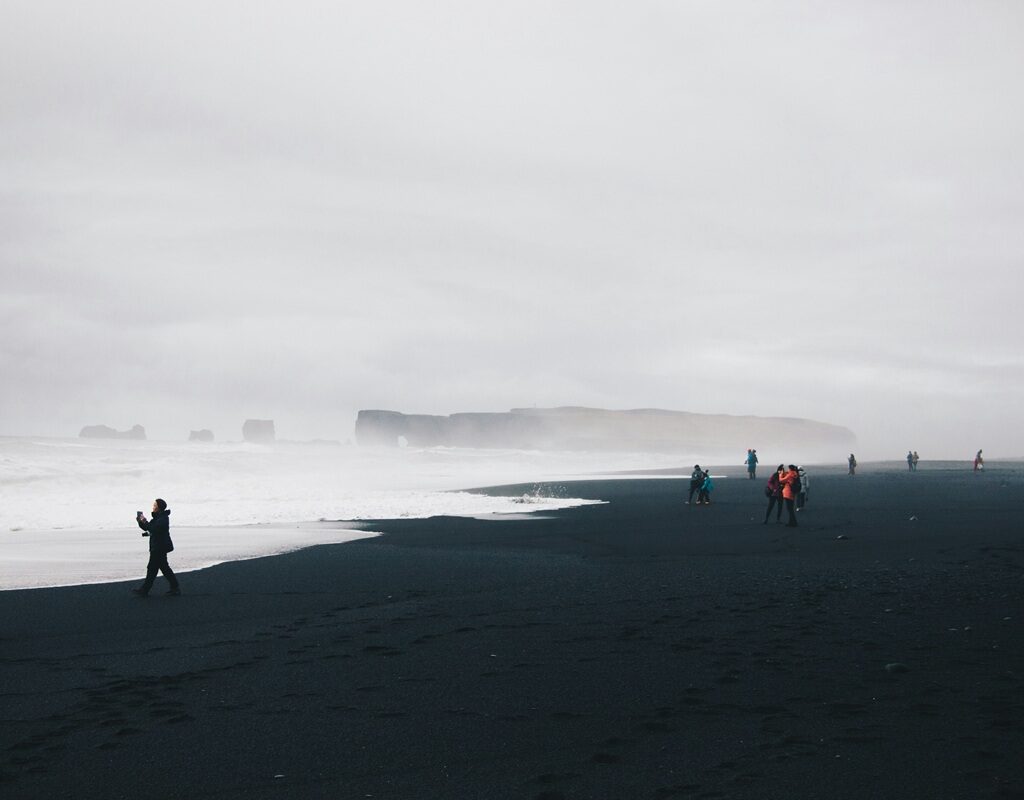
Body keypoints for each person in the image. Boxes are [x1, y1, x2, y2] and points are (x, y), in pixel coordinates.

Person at [133, 498, 180, 596]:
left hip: (159, 547)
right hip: (157, 546)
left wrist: (145, 522)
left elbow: (154, 528)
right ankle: (175, 587)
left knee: (152, 568)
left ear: (159, 507)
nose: (153, 507)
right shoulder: (158, 518)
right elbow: (148, 527)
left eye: (155, 505)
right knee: (163, 568)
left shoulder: (163, 518)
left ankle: (145, 590)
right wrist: (141, 521)